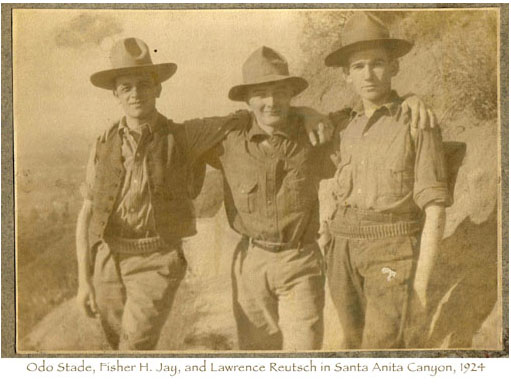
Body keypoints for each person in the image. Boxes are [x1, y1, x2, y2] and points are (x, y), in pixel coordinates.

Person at [75, 38, 332, 350]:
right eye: (126, 87)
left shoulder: (183, 136)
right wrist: (84, 280)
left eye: (143, 84)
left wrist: (307, 112)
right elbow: (87, 212)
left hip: (157, 258)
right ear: (115, 93)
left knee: (133, 347)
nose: (135, 94)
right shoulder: (104, 143)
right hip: (109, 258)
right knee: (118, 346)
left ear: (158, 88)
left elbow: (246, 118)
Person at [204, 46, 435, 350]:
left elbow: (371, 112)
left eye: (280, 92)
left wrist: (411, 98)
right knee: (256, 353)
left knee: (306, 351)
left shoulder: (313, 134)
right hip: (251, 261)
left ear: (291, 96)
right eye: (261, 93)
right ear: (247, 100)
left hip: (302, 259)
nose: (271, 102)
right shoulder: (227, 139)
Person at [322, 12, 451, 349]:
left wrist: (421, 286)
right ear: (347, 75)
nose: (369, 74)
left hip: (390, 254)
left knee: (380, 351)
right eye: (358, 66)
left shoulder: (417, 122)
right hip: (341, 252)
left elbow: (435, 208)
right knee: (349, 346)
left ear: (394, 67)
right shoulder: (343, 127)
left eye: (378, 63)